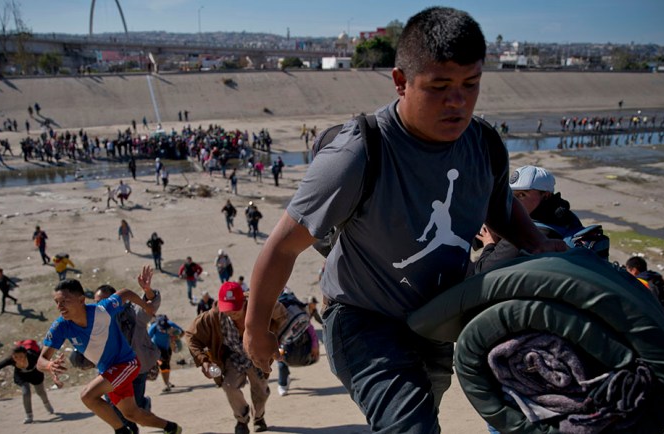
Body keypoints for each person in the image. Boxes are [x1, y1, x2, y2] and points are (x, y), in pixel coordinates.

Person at [242, 7, 566, 433]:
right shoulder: (359, 152)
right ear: (401, 82)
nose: (458, 101)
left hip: (438, 320)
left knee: (423, 413)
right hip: (363, 318)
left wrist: (537, 243)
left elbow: (500, 207)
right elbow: (282, 245)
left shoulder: (483, 143)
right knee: (410, 426)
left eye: (470, 85)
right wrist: (254, 328)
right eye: (439, 87)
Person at [37, 279, 182, 434]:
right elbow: (40, 360)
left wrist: (145, 305)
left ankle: (121, 432)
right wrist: (49, 365)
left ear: (81, 300)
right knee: (132, 414)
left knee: (88, 396)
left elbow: (125, 293)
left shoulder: (101, 310)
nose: (60, 307)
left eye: (65, 301)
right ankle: (172, 428)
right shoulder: (61, 326)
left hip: (127, 364)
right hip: (107, 371)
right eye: (57, 302)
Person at [185, 282, 287, 434]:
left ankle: (258, 418)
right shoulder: (214, 316)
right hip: (234, 357)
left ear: (244, 302)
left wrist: (275, 337)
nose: (232, 312)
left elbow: (282, 315)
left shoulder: (258, 309)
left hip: (257, 356)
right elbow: (191, 335)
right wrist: (203, 361)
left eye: (236, 307)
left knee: (261, 390)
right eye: (227, 308)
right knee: (229, 386)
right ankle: (242, 420)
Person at [471, 165, 583, 274]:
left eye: (522, 195)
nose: (513, 201)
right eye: (510, 195)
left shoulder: (524, 234)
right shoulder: (567, 216)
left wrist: (489, 244)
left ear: (546, 195)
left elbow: (481, 271)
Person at [94, 266, 161, 431]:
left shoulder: (132, 312)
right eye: (97, 302)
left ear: (114, 300)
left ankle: (143, 404)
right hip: (110, 371)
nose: (101, 306)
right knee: (116, 410)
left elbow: (149, 307)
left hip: (136, 370)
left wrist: (148, 291)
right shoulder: (94, 321)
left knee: (133, 409)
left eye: (105, 301)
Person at [0, 345, 55, 424]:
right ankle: (29, 416)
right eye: (16, 357)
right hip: (21, 376)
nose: (18, 359)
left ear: (25, 354)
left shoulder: (32, 356)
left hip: (35, 374)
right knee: (26, 393)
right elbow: (0, 365)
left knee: (41, 392)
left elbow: (43, 360)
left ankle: (47, 405)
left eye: (21, 356)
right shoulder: (11, 360)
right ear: (13, 356)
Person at [625, 256, 664, 327]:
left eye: (628, 271)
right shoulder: (658, 279)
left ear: (634, 270)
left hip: (659, 323)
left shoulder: (639, 284)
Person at [148, 315, 184, 393]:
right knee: (163, 365)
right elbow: (147, 339)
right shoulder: (154, 327)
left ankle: (167, 382)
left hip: (167, 347)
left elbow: (182, 332)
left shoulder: (171, 324)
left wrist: (175, 337)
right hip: (156, 348)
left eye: (164, 328)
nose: (163, 330)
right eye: (161, 329)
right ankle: (166, 385)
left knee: (166, 364)